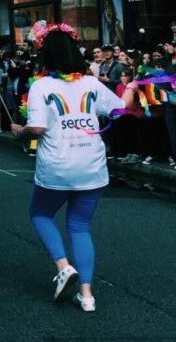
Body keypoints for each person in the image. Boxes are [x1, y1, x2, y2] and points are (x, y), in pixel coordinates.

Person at [10, 24, 125, 313]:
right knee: (80, 226)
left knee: (39, 214)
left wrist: (20, 131)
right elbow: (119, 109)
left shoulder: (41, 86)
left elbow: (37, 128)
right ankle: (87, 295)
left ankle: (63, 267)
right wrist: (135, 89)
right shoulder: (91, 83)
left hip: (57, 166)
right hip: (92, 165)